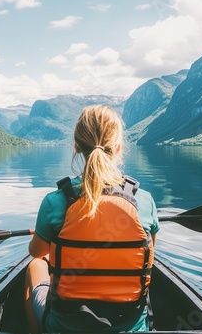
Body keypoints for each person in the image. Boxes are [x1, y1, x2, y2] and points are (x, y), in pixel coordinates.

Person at [25, 105, 160, 333]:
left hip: (65, 326)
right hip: (129, 326)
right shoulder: (144, 202)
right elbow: (148, 255)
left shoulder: (54, 203)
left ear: (77, 146)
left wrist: (44, 236)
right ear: (117, 147)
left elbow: (37, 252)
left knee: (35, 266)